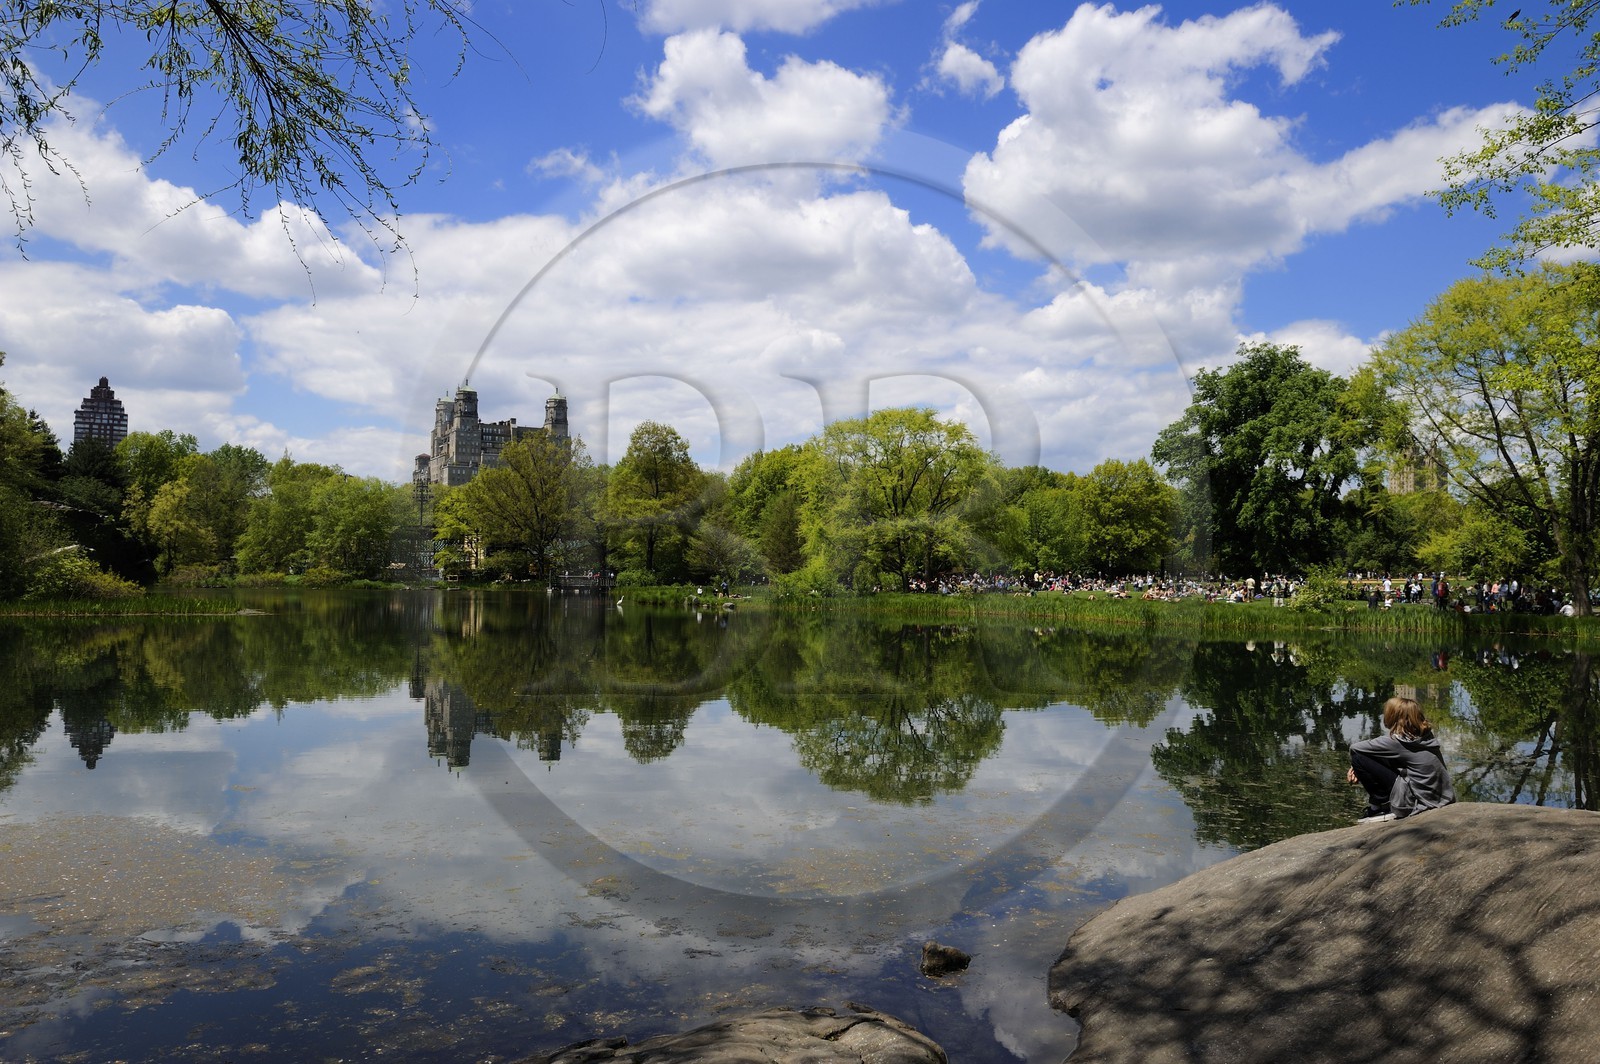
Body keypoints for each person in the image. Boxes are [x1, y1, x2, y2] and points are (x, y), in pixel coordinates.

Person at [1347, 696, 1456, 823]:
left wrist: (1355, 768)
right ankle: (1381, 805)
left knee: (1359, 759)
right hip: (1443, 798)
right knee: (1376, 756)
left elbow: (1355, 749)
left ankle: (1382, 807)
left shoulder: (1396, 742)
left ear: (1393, 717)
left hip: (1418, 803)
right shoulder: (1425, 736)